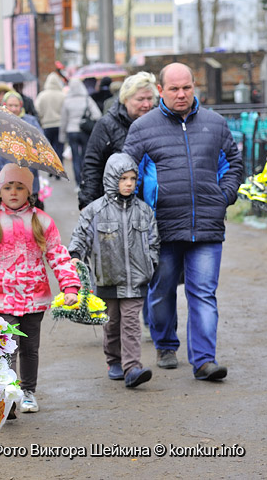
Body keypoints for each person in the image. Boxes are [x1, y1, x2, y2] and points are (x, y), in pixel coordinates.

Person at [122, 62, 243, 380]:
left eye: (186, 87)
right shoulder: (144, 128)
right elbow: (125, 171)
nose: (181, 94)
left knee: (203, 293)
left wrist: (224, 196)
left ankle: (204, 360)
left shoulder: (215, 124)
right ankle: (164, 343)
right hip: (160, 228)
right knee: (161, 291)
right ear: (160, 90)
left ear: (194, 86)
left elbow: (234, 162)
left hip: (207, 226)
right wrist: (139, 213)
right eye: (174, 88)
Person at [0, 163, 79, 413]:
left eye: (19, 187)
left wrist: (70, 287)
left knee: (30, 348)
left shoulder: (41, 221)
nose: (13, 192)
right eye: (8, 187)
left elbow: (57, 254)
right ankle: (9, 395)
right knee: (7, 347)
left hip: (34, 296)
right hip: (1, 298)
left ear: (29, 192)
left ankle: (28, 391)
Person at [68, 153, 160, 388]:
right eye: (123, 179)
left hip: (136, 281)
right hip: (107, 280)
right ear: (111, 180)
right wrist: (76, 256)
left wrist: (152, 262)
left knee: (131, 324)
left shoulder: (144, 211)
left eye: (132, 178)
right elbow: (80, 237)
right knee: (112, 324)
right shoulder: (95, 211)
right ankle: (114, 360)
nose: (128, 183)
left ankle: (132, 367)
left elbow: (154, 240)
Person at [78, 71, 158, 210]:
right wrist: (88, 205)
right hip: (119, 207)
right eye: (140, 99)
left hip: (155, 207)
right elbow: (93, 165)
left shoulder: (160, 122)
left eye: (150, 98)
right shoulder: (107, 125)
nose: (147, 104)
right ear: (125, 99)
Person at [0, 91, 43, 209]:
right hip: (2, 168)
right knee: (5, 206)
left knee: (27, 206)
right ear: (4, 105)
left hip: (26, 169)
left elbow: (41, 142)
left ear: (21, 105)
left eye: (16, 106)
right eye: (10, 105)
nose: (13, 109)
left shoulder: (30, 121)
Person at [60, 77, 102, 188]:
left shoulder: (67, 101)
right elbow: (97, 115)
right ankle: (85, 180)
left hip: (71, 131)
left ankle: (78, 183)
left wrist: (62, 136)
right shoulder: (87, 99)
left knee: (75, 157)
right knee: (85, 156)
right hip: (84, 131)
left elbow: (63, 120)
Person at [35, 72, 66, 170]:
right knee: (59, 147)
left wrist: (42, 118)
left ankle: (50, 168)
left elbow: (37, 110)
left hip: (47, 125)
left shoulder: (42, 96)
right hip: (59, 124)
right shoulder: (62, 95)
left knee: (49, 148)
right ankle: (59, 167)